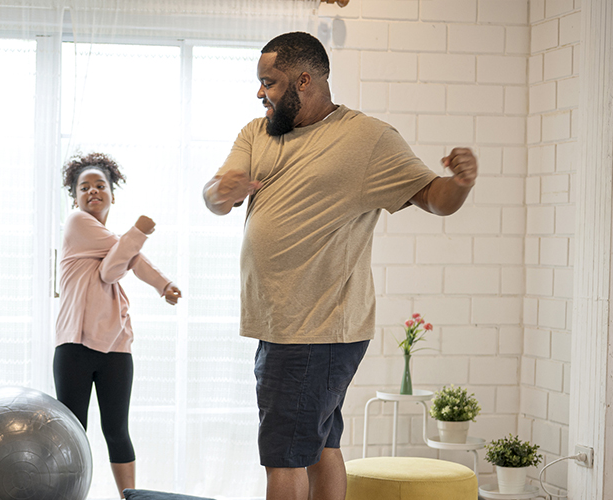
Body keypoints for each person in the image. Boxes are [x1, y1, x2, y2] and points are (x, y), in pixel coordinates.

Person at [202, 32, 478, 500]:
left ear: (304, 80)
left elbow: (434, 198)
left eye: (269, 82)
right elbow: (214, 193)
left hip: (317, 327)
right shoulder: (257, 132)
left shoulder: (367, 139)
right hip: (284, 324)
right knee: (320, 444)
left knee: (284, 457)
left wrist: (461, 182)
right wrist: (220, 192)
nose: (260, 92)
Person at [54, 152, 182, 499]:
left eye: (100, 185)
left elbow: (115, 264)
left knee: (117, 430)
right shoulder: (77, 222)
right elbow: (120, 263)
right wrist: (140, 232)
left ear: (112, 193)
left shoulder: (110, 238)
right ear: (75, 197)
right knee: (72, 431)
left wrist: (164, 285)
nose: (92, 191)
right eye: (84, 187)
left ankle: (131, 497)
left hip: (115, 346)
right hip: (75, 345)